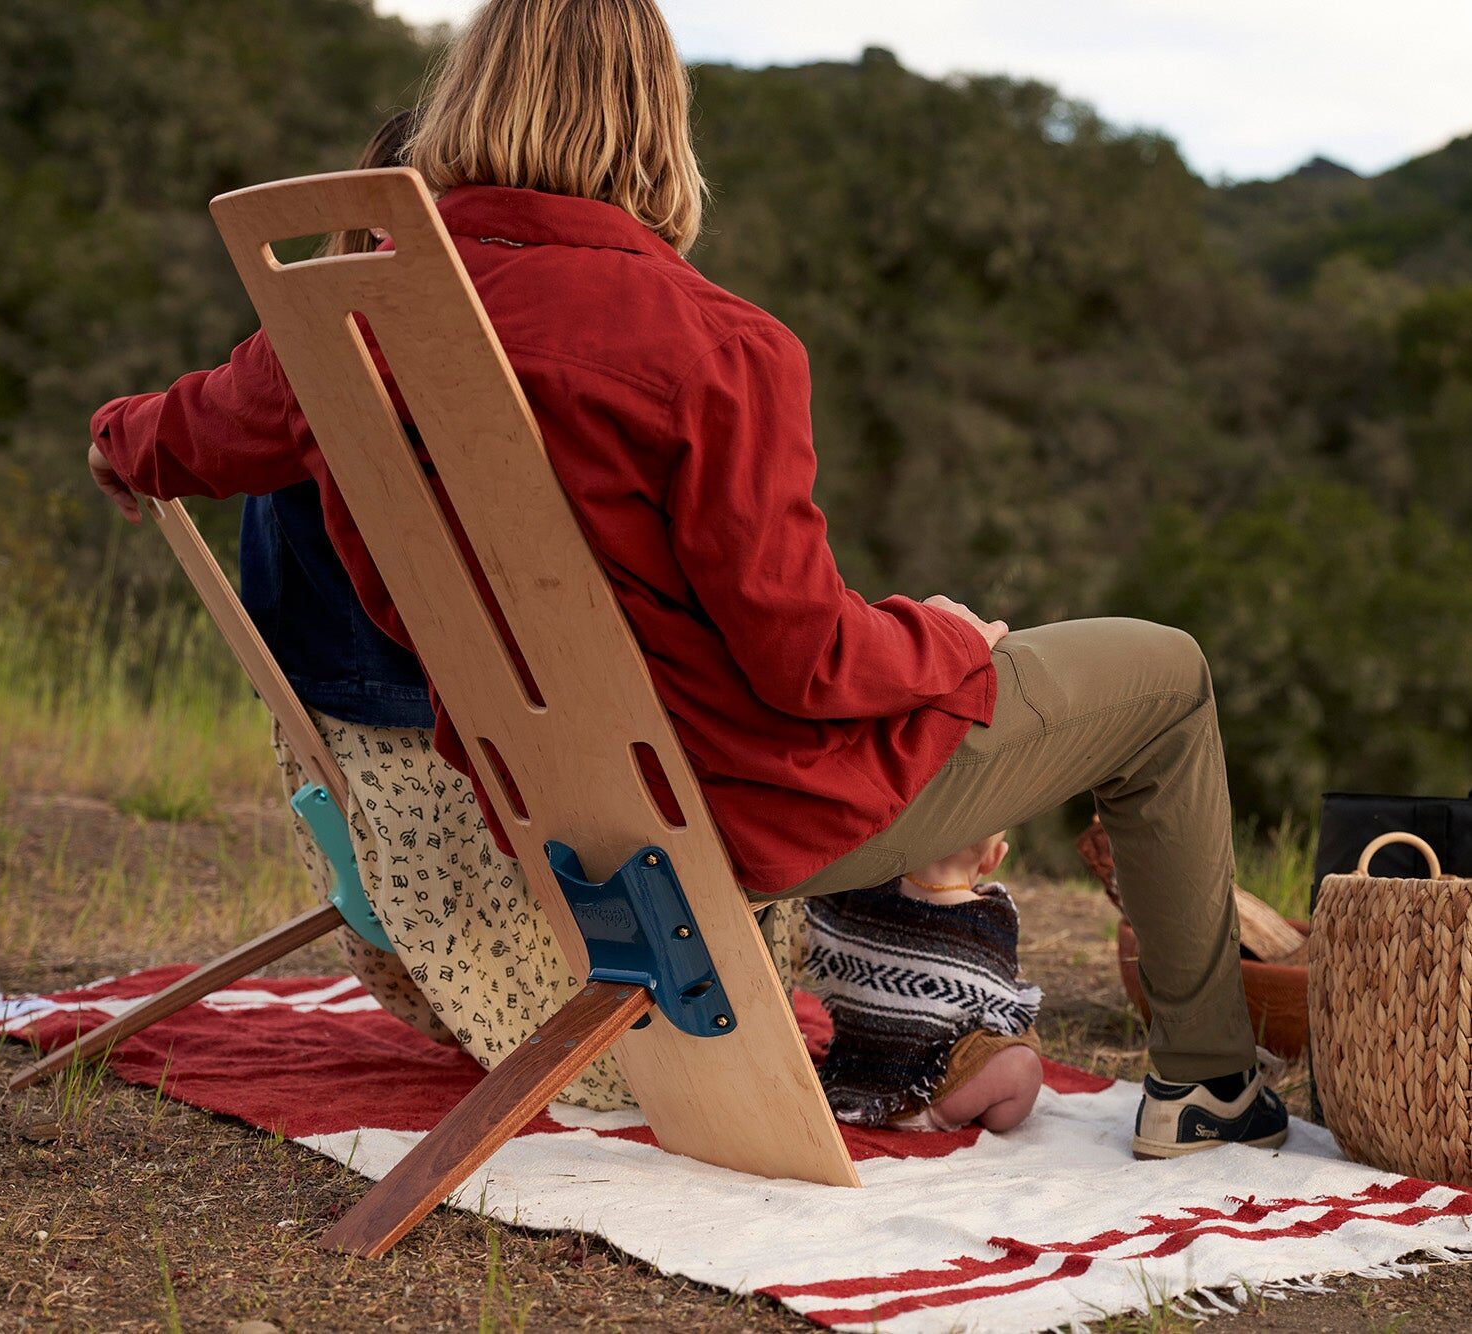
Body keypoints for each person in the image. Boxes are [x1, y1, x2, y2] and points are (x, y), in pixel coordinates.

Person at [87, 0, 1285, 1159]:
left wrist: (116, 436)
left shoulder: (350, 322)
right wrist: (946, 636)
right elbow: (806, 662)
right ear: (657, 121)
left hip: (539, 795)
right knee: (1164, 673)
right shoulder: (718, 343)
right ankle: (1209, 1079)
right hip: (748, 811)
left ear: (466, 95)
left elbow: (170, 436)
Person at [807, 833, 1044, 1134]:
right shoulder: (988, 918)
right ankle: (938, 1114)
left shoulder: (863, 894)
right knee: (1023, 1060)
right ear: (994, 858)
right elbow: (999, 1003)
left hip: (858, 1066)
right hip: (927, 1085)